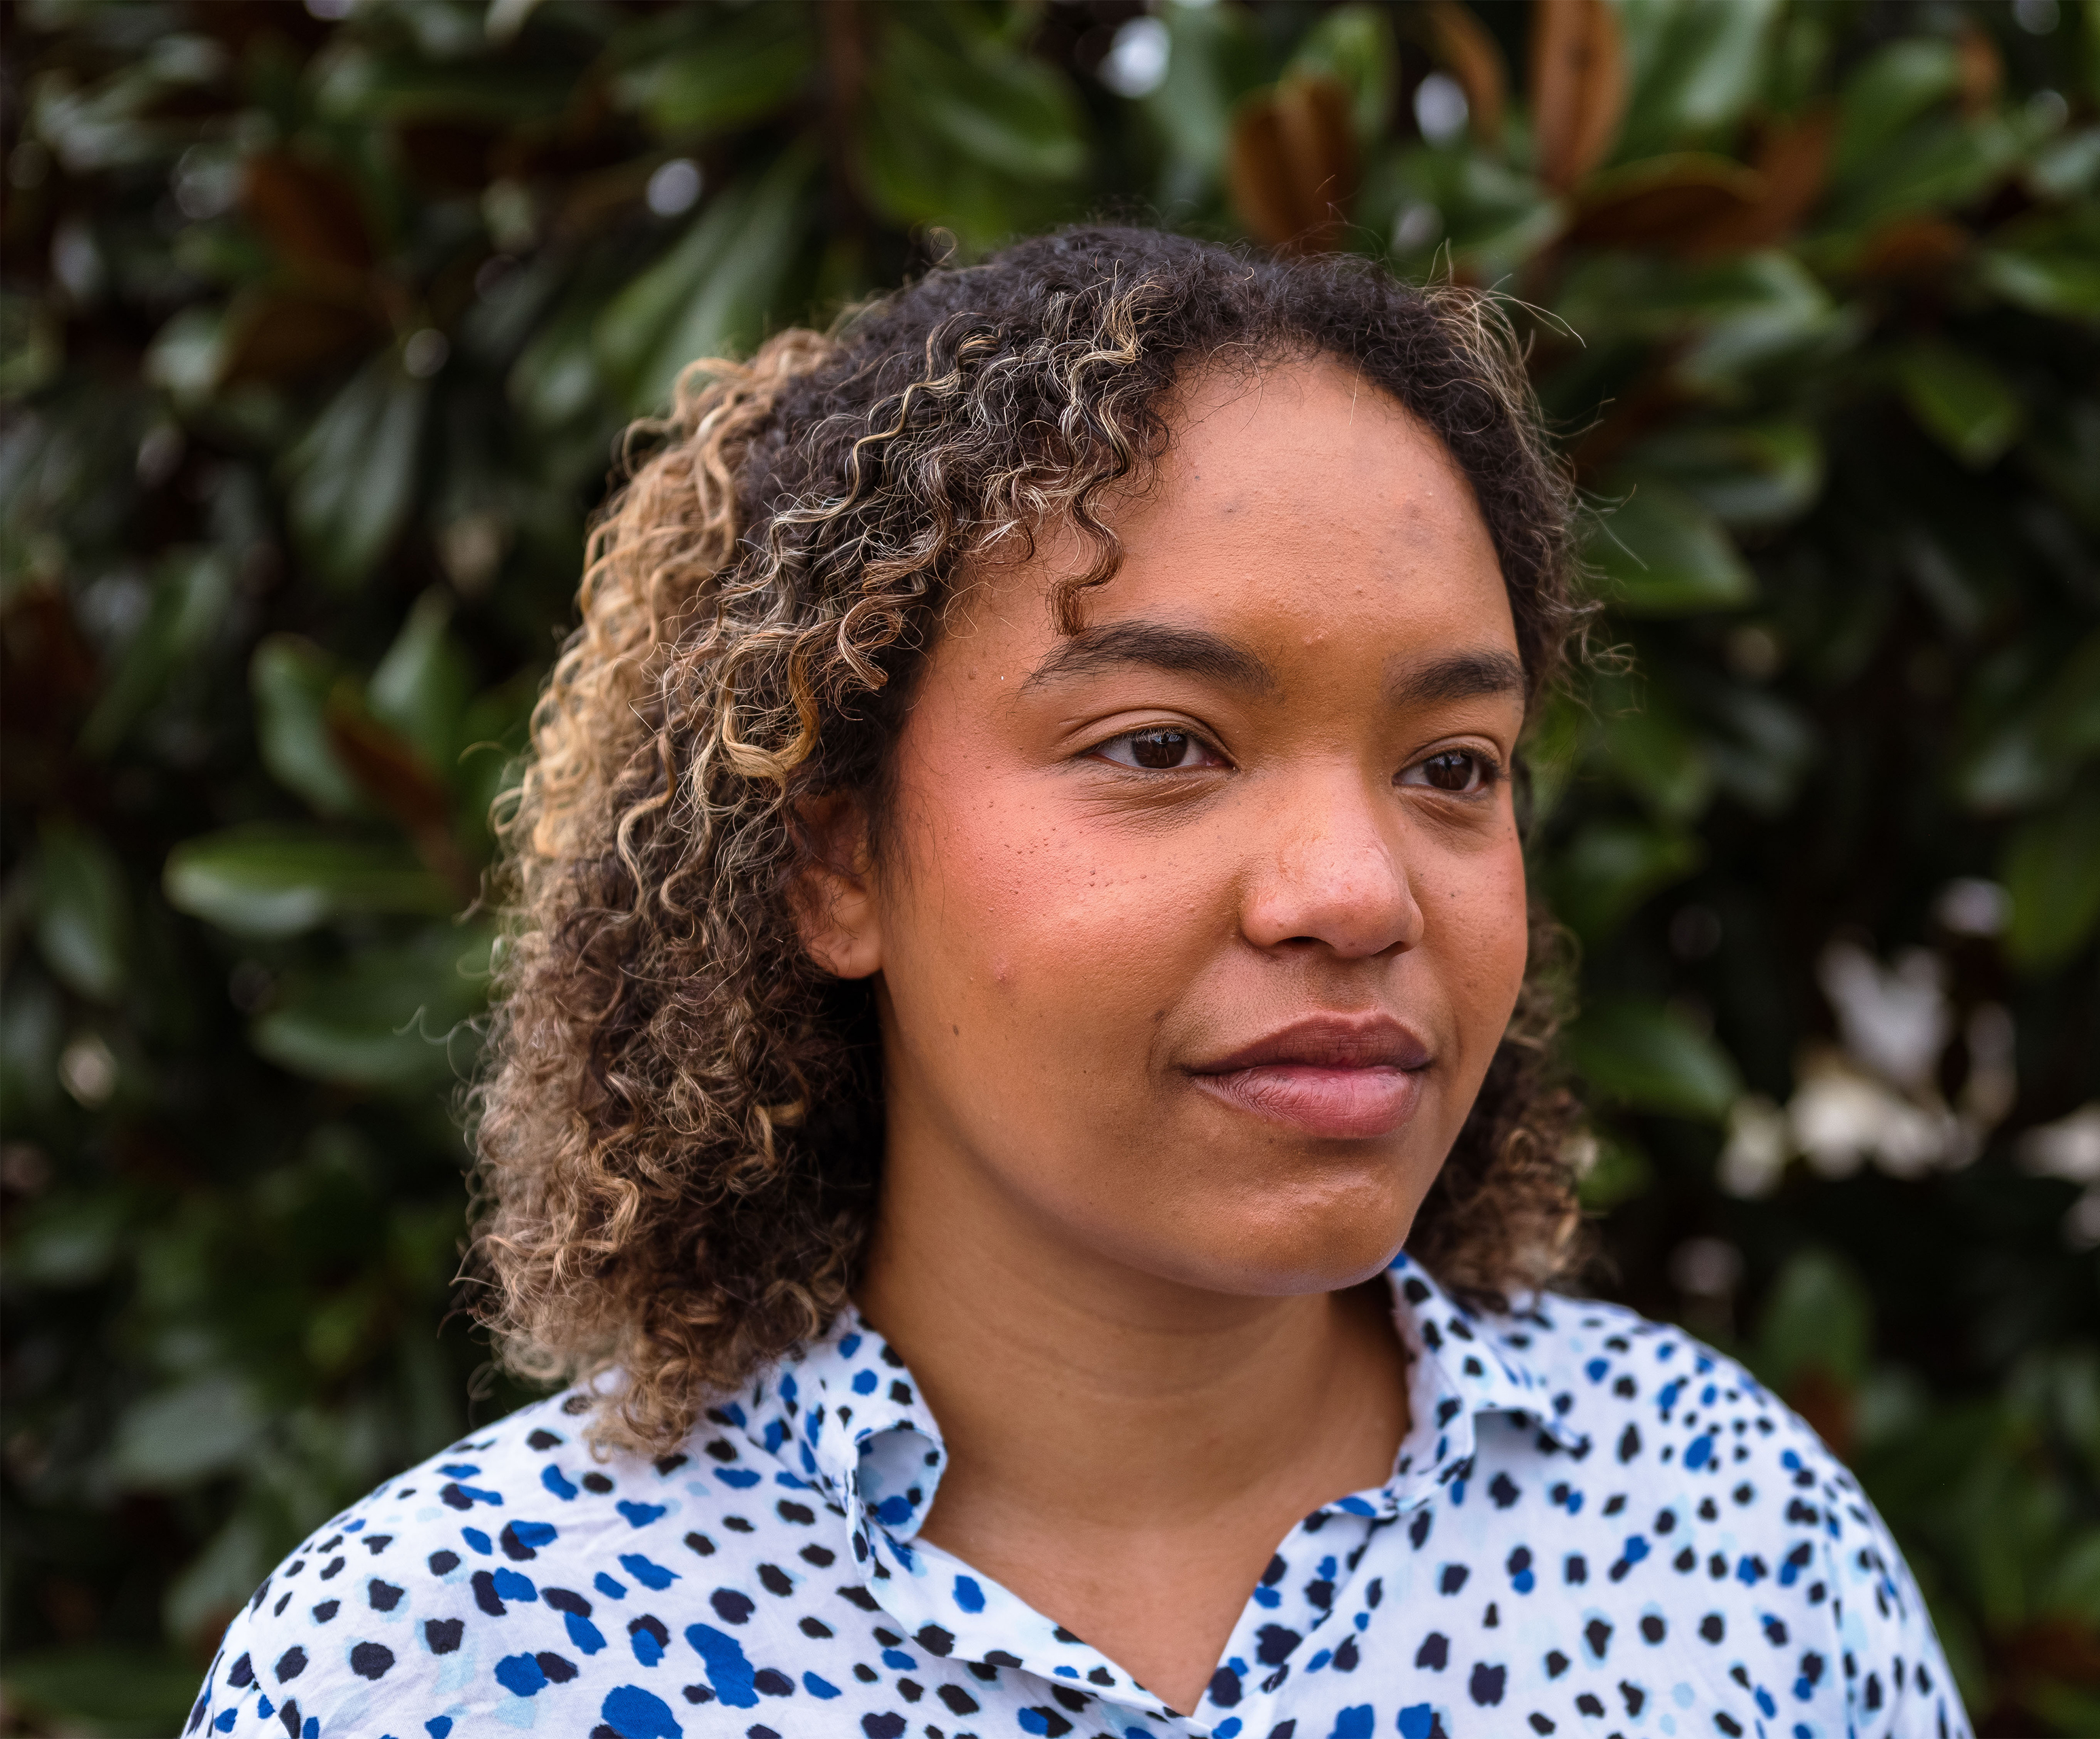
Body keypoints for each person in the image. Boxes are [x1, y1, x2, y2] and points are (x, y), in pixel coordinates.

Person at [186, 228, 1967, 1739]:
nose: (1359, 894)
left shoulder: (1727, 1542)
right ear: (834, 859)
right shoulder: (445, 1665)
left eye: (1452, 767)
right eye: (1163, 745)